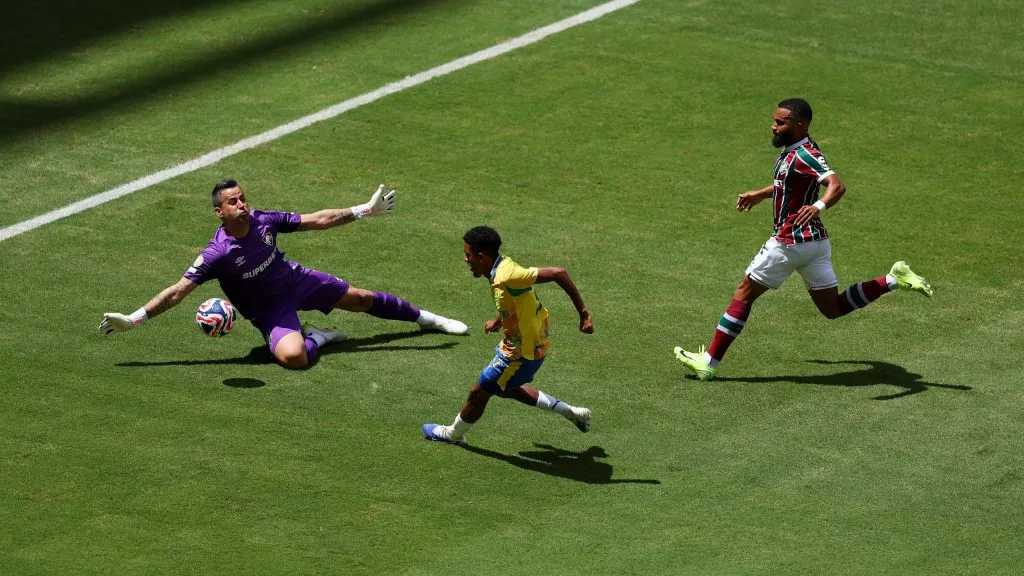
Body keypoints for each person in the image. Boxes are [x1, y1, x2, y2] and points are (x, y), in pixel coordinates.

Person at [674, 98, 933, 381]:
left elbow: (837, 186)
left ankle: (709, 362)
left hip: (789, 242)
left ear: (799, 124)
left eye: (780, 122)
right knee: (832, 308)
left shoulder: (805, 155)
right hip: (815, 245)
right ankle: (894, 279)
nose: (773, 127)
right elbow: (788, 184)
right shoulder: (795, 152)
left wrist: (817, 207)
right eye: (774, 120)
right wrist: (761, 194)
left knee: (744, 292)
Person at [99, 179, 468, 369]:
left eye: (243, 197)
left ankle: (429, 320)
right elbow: (178, 291)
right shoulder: (218, 254)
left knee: (362, 299)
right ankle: (319, 337)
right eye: (233, 202)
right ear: (219, 212)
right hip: (269, 312)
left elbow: (316, 220)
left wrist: (363, 210)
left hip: (297, 281)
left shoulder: (265, 221)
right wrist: (135, 319)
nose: (242, 204)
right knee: (293, 358)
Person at [422, 226, 593, 444]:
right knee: (505, 389)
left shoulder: (509, 274)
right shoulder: (499, 269)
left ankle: (452, 434)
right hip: (522, 343)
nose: (466, 260)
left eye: (468, 255)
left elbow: (559, 273)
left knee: (479, 392)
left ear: (482, 257)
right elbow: (518, 302)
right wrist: (500, 320)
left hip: (522, 352)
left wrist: (584, 314)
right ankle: (573, 413)